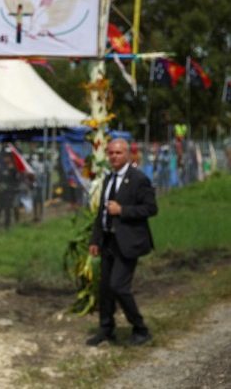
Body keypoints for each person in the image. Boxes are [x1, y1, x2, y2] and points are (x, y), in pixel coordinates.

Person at [87, 138, 157, 347]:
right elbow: (102, 211)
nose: (114, 157)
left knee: (119, 286)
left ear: (127, 154)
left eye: (118, 153)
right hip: (109, 240)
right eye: (111, 153)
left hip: (128, 242)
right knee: (105, 288)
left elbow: (151, 208)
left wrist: (123, 210)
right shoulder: (109, 179)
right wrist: (96, 239)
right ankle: (106, 330)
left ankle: (140, 328)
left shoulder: (138, 179)